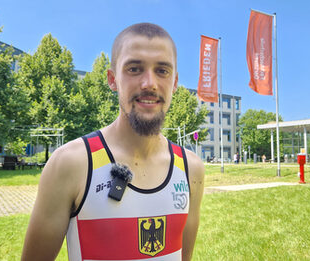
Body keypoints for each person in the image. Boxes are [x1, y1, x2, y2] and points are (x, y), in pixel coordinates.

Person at [21, 23, 205, 261]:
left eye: (162, 71)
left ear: (175, 82)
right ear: (112, 79)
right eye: (134, 69)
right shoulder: (71, 163)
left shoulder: (190, 168)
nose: (149, 82)